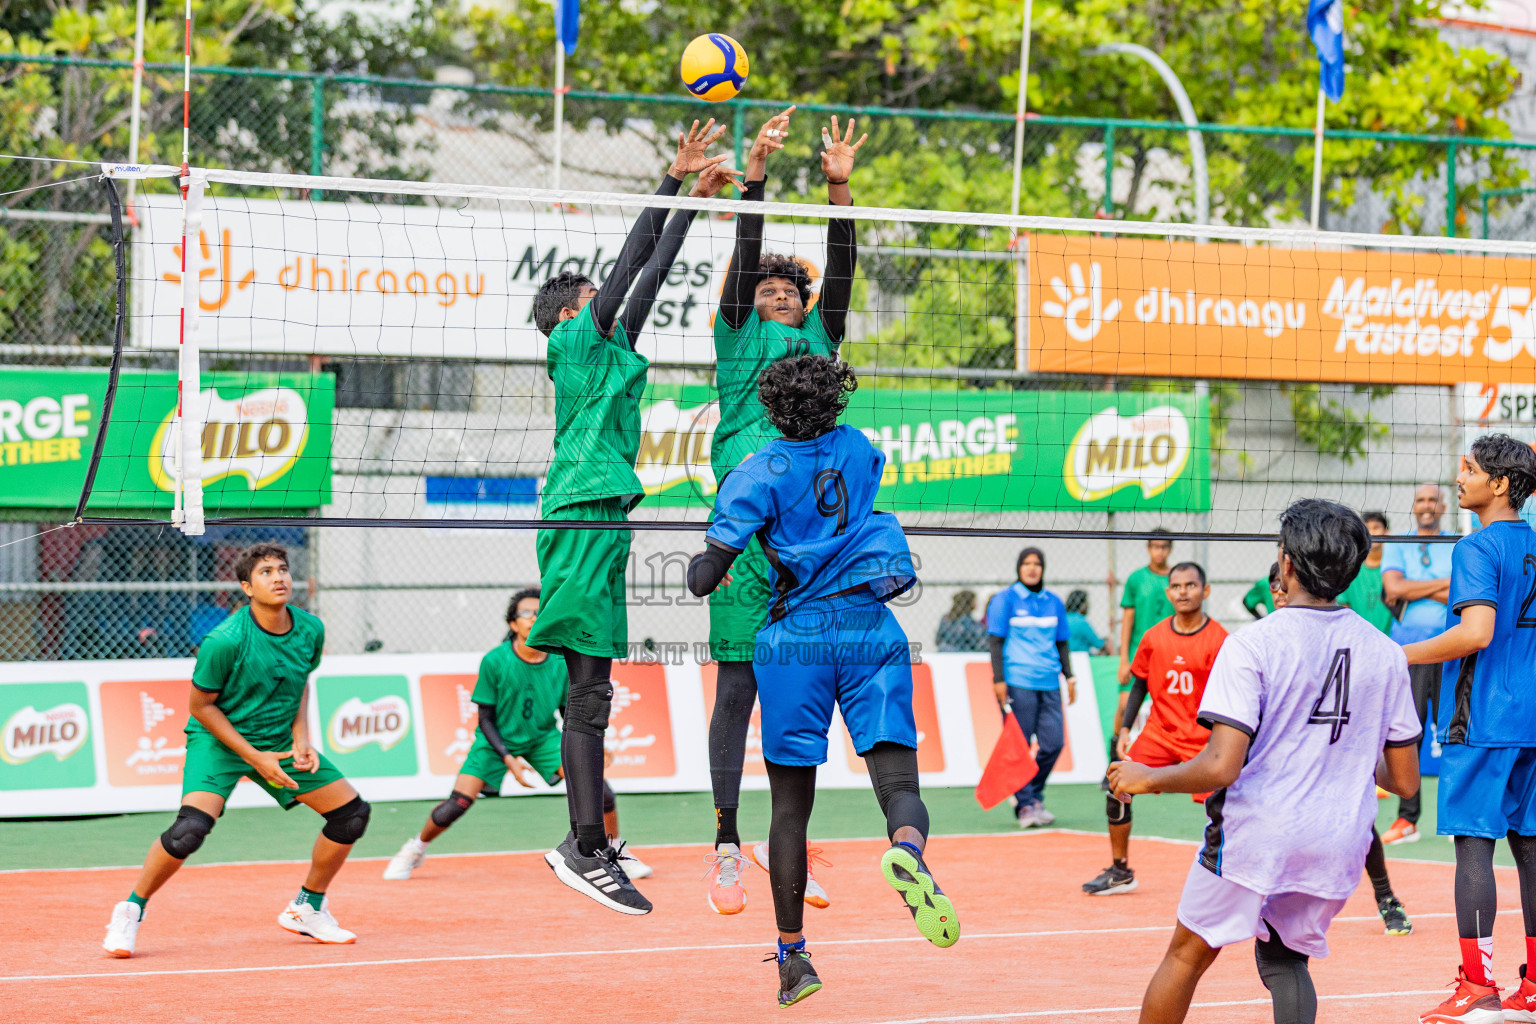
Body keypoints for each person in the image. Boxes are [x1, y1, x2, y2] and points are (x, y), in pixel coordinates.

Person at [686, 355, 957, 1007]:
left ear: (772, 408)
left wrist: (706, 559)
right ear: (834, 401)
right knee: (898, 784)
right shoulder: (860, 447)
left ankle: (793, 959)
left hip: (797, 638)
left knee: (789, 809)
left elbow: (704, 577)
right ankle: (910, 855)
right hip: (871, 625)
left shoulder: (757, 472)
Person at [528, 123, 738, 916]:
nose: (606, 305)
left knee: (594, 690)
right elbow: (625, 274)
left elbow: (643, 282)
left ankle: (588, 840)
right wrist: (670, 179)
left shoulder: (609, 348)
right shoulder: (575, 346)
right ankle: (583, 844)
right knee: (586, 688)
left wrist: (689, 200)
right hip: (582, 514)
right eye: (590, 303)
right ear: (569, 319)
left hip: (604, 517)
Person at [1110, 499, 1422, 1024]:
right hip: (1339, 840)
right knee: (1284, 958)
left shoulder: (1252, 644)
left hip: (1259, 834)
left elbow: (1220, 767)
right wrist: (1346, 746)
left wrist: (1148, 777)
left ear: (1288, 564)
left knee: (1187, 955)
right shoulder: (1386, 651)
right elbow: (1405, 781)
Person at [704, 107, 864, 917]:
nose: (774, 296)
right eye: (762, 291)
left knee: (796, 702)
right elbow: (742, 256)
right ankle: (727, 846)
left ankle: (785, 843)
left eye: (785, 293)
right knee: (736, 691)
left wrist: (837, 189)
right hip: (743, 540)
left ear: (803, 309)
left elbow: (838, 272)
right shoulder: (737, 342)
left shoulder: (818, 345)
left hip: (809, 547)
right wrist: (758, 176)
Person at [102, 544, 371, 957]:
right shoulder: (224, 640)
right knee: (189, 831)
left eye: (283, 570)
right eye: (266, 572)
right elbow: (201, 706)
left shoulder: (310, 628)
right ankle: (130, 910)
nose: (279, 577)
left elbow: (299, 683)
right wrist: (254, 758)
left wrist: (301, 737)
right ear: (247, 587)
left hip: (278, 739)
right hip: (219, 741)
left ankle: (307, 907)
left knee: (351, 815)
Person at [381, 588, 651, 883]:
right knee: (456, 804)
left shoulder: (560, 662)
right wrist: (509, 759)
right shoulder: (495, 661)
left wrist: (595, 745)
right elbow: (485, 719)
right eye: (526, 613)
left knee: (602, 792)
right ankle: (414, 850)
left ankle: (612, 852)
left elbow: (568, 713)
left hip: (541, 738)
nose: (534, 617)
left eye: (539, 612)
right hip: (495, 741)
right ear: (513, 624)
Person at [1402, 436, 1536, 1024]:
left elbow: (1476, 633)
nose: (1459, 476)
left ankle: (1478, 988)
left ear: (1500, 485)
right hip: (1532, 715)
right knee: (1531, 848)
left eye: (1470, 468)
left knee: (1474, 847)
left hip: (1483, 716)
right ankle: (1532, 988)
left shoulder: (1474, 546)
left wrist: (1399, 655)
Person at [1271, 559, 1415, 937]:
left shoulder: (1342, 640)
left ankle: (1386, 898)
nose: (1281, 595)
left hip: (1336, 754)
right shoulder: (1262, 644)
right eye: (1275, 590)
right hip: (1286, 769)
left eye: (1283, 587)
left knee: (1361, 823)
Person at [1083, 562, 1227, 896]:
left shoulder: (1219, 640)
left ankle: (1223, 875)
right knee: (1117, 783)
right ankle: (1120, 870)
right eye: (1177, 586)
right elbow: (1139, 684)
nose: (1183, 592)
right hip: (1159, 734)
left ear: (1205, 591)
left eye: (1191, 585)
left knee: (1224, 807)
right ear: (1168, 592)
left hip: (1203, 740)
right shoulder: (1154, 636)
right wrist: (1125, 730)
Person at [1380, 482, 1455, 845]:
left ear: (1443, 506)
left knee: (1456, 734)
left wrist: (1416, 586)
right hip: (1408, 651)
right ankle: (1407, 820)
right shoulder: (1398, 542)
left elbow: (1464, 591)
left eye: (1433, 500)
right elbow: (1394, 589)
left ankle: (1457, 817)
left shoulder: (1459, 541)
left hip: (1451, 649)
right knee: (1407, 734)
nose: (1426, 505)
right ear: (1414, 506)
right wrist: (1442, 585)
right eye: (1421, 500)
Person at [986, 548, 1078, 828]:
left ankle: (1031, 793)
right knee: (1019, 745)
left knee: (1054, 743)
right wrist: (998, 680)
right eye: (1026, 564)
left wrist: (1070, 676)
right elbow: (995, 642)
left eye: (1037, 564)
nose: (1032, 568)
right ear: (1018, 568)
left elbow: (1061, 642)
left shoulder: (1054, 602)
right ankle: (1025, 805)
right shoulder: (1005, 600)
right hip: (1018, 681)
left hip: (1049, 681)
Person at [1117, 530, 1176, 760]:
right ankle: (1114, 761)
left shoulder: (1177, 580)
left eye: (1163, 547)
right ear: (1148, 548)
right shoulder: (1136, 579)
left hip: (1169, 655)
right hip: (1137, 654)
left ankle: (1171, 764)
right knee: (1124, 708)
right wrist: (1123, 660)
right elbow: (1127, 622)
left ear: (1169, 549)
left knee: (1171, 712)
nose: (1159, 551)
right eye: (1154, 546)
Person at [1337, 512, 1395, 634]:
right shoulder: (1350, 570)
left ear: (1386, 532)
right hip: (1360, 638)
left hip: (1393, 639)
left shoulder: (1396, 569)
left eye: (1376, 527)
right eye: (1367, 528)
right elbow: (1344, 607)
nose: (1372, 532)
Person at [1064, 590, 1106, 654]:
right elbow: (1098, 644)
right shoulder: (1080, 621)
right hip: (1081, 658)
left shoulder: (1064, 618)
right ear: (1082, 605)